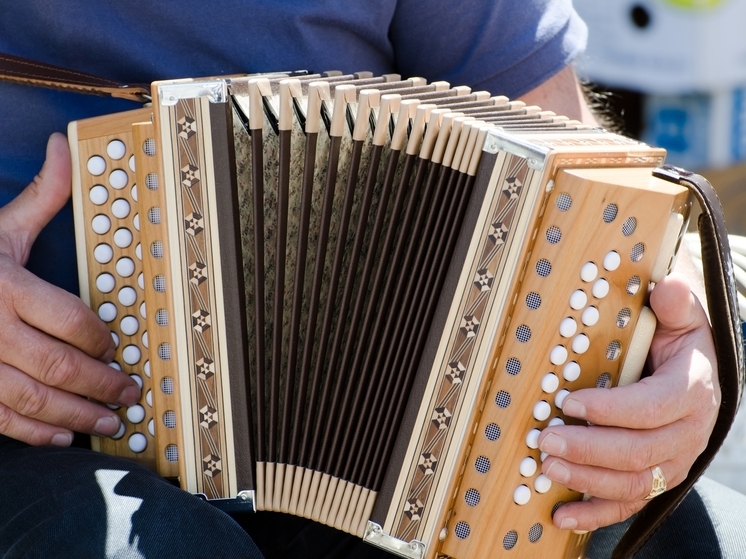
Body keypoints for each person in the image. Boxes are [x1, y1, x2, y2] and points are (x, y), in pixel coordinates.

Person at [0, 1, 744, 557]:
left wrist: (678, 321)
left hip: (394, 430)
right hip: (36, 429)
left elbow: (562, 137)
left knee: (682, 539)